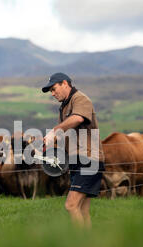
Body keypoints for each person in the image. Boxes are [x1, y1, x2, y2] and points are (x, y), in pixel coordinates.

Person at [42, 72, 105, 229]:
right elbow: (63, 134)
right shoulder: (64, 106)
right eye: (50, 91)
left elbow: (78, 118)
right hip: (77, 161)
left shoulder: (80, 99)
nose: (53, 93)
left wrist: (54, 130)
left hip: (89, 160)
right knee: (83, 210)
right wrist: (47, 145)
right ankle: (89, 245)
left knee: (70, 205)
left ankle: (79, 245)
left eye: (54, 88)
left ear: (65, 83)